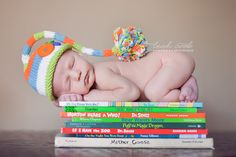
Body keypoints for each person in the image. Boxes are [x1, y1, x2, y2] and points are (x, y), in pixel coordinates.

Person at [22, 30, 198, 106]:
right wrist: (62, 101)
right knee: (160, 97)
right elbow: (57, 100)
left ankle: (187, 82)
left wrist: (86, 98)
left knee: (153, 92)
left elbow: (131, 93)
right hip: (167, 68)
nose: (76, 74)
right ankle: (184, 85)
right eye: (68, 83)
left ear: (79, 54)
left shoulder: (100, 73)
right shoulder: (92, 82)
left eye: (72, 64)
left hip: (168, 62)